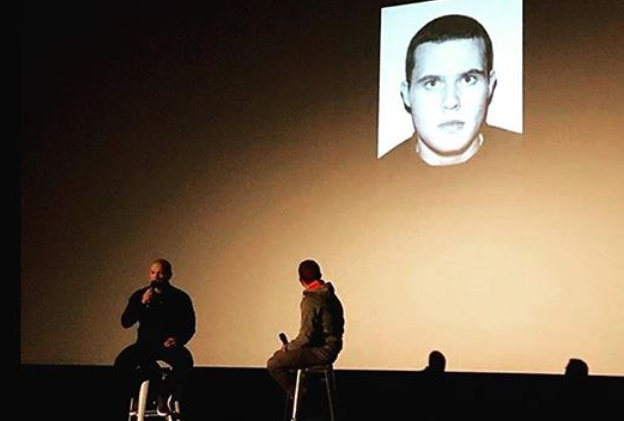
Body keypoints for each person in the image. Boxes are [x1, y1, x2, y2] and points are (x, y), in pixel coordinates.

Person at [398, 14, 513, 166]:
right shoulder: (376, 175)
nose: (451, 101)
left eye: (467, 80)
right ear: (407, 94)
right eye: (432, 83)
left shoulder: (533, 156)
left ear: (490, 85)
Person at [114, 258, 196, 416]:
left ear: (169, 275)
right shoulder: (140, 295)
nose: (156, 277)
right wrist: (141, 303)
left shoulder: (180, 297)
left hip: (167, 345)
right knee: (121, 364)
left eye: (160, 273)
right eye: (153, 273)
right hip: (144, 344)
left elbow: (189, 326)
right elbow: (126, 322)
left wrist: (178, 339)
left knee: (185, 362)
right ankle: (137, 396)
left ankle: (163, 396)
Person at [267, 259, 345, 398]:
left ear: (301, 280)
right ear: (320, 274)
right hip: (333, 346)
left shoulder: (311, 300)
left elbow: (305, 336)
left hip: (322, 351)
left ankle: (300, 395)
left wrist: (288, 347)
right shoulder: (331, 296)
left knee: (275, 363)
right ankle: (303, 393)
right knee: (285, 357)